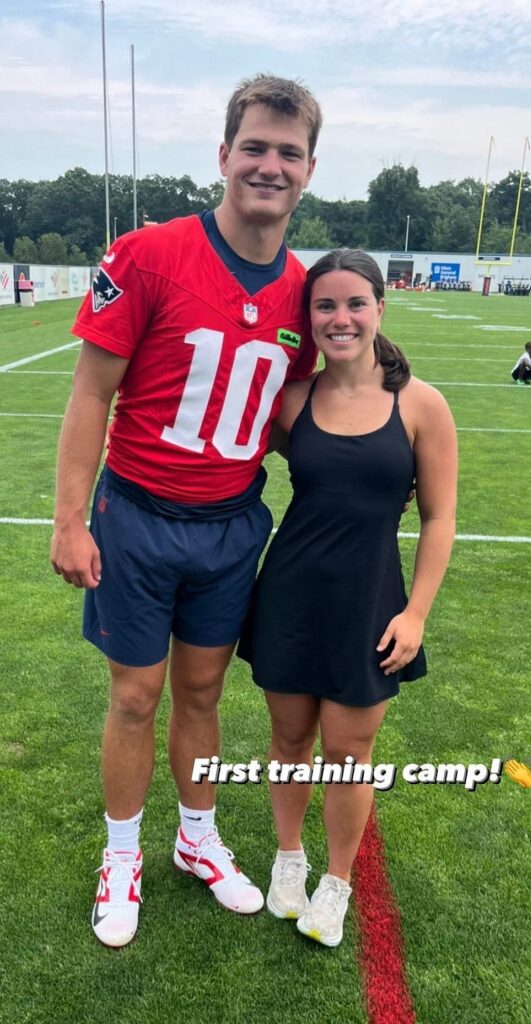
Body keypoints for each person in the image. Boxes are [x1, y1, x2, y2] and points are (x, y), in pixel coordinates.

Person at [50, 74, 322, 947]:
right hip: (137, 515)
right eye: (256, 146)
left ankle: (195, 838)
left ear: (309, 169)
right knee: (137, 695)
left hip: (232, 522)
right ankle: (121, 853)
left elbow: (289, 416)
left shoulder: (305, 295)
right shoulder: (152, 252)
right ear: (224, 155)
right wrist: (68, 518)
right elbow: (92, 394)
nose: (269, 166)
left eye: (288, 152)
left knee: (203, 692)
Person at [239, 249, 458, 948]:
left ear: (379, 309)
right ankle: (287, 860)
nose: (340, 318)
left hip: (370, 603)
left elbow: (440, 518)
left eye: (354, 304)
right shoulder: (294, 399)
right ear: (309, 318)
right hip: (291, 594)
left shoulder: (421, 404)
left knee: (349, 752)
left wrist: (416, 611)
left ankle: (335, 884)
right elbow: (234, 449)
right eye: (325, 306)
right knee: (289, 740)